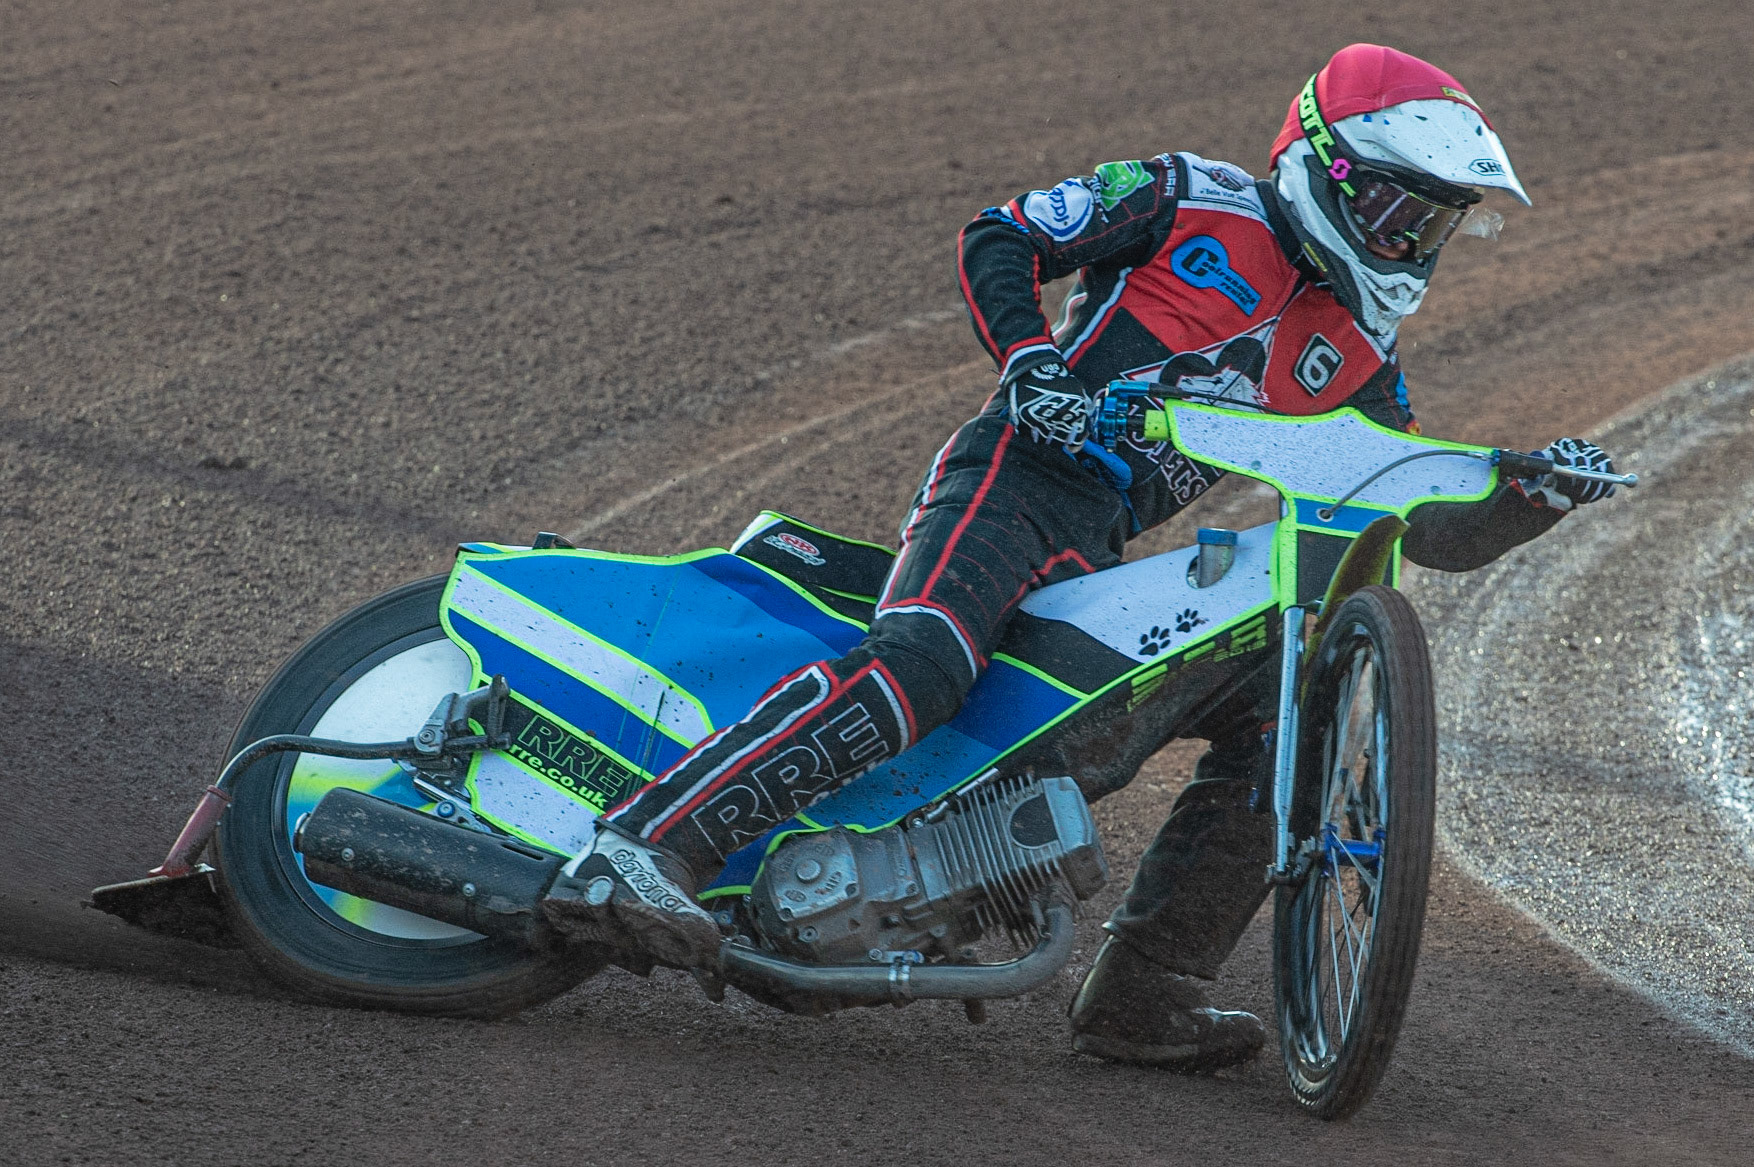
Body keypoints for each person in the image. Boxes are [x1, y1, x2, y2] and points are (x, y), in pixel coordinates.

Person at [542, 43, 1618, 1071]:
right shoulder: (1190, 195)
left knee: (1276, 720)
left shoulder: (1364, 357)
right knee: (920, 665)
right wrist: (1030, 362)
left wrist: (1526, 499)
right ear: (1325, 164)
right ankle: (646, 845)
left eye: (1433, 221)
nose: (1409, 240)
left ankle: (1142, 996)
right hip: (1009, 479)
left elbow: (1413, 515)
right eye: (1395, 208)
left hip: (1096, 547)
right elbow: (999, 235)